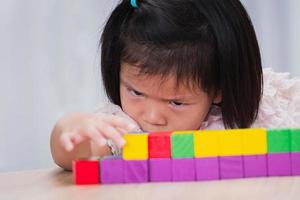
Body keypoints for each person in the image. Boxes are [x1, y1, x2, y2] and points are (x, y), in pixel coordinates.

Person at [50, 0, 300, 170]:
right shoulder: (124, 127)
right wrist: (70, 129)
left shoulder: (266, 107)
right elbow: (70, 154)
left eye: (176, 102)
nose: (152, 116)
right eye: (135, 92)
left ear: (219, 88)